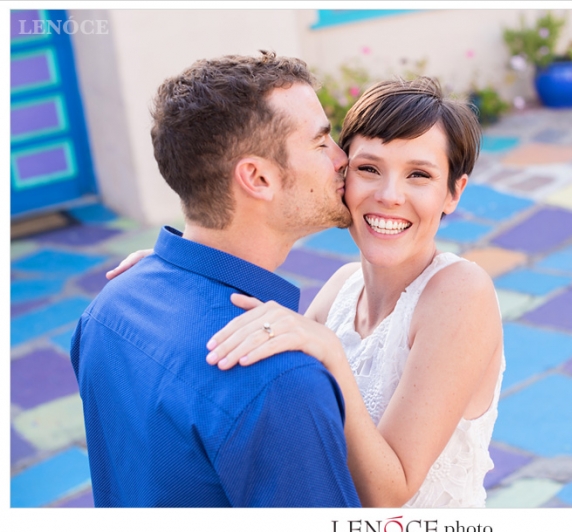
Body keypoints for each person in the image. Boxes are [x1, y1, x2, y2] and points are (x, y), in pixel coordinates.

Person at [110, 77, 505, 508]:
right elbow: (276, 356)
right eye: (369, 169)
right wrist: (183, 270)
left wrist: (332, 353)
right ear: (342, 174)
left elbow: (389, 495)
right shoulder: (341, 288)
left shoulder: (460, 294)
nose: (390, 196)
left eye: (419, 175)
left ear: (453, 193)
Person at [70, 52, 361, 507]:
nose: (343, 158)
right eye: (322, 142)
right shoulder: (282, 381)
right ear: (258, 177)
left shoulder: (107, 308)